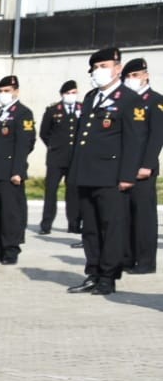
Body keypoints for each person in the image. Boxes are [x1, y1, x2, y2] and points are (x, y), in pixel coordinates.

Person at [67, 47, 146, 296]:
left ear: (117, 68)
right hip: (87, 174)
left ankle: (108, 276)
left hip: (111, 176)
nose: (98, 71)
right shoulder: (91, 97)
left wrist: (126, 176)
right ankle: (93, 272)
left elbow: (135, 141)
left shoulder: (129, 99)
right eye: (95, 67)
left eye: (103, 66)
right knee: (89, 227)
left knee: (111, 227)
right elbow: (82, 137)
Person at [0, 75, 34, 265]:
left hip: (10, 171)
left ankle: (11, 249)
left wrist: (18, 171)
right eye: (1, 91)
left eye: (7, 91)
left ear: (16, 92)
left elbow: (24, 144)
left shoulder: (22, 113)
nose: (4, 95)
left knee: (10, 213)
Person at [121, 57, 162, 274]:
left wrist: (147, 165)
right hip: (124, 168)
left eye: (135, 75)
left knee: (143, 216)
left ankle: (146, 262)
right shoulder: (126, 101)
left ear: (146, 75)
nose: (131, 80)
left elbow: (156, 137)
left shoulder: (155, 101)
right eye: (127, 76)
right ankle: (127, 257)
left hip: (143, 169)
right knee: (125, 215)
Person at [39, 80, 81, 234]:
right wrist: (53, 145)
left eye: (74, 92)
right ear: (62, 94)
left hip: (74, 158)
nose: (71, 95)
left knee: (73, 192)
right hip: (56, 158)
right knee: (51, 191)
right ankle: (46, 224)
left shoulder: (81, 108)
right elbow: (44, 132)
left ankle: (74, 224)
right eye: (68, 93)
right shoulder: (52, 110)